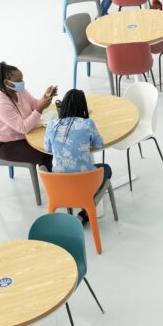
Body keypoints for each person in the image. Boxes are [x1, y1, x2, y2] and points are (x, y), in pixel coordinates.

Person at [43, 89, 113, 225]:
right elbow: (99, 144)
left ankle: (81, 208)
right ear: (83, 107)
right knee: (106, 169)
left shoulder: (52, 125)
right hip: (85, 182)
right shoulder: (88, 124)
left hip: (58, 182)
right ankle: (86, 209)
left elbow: (47, 148)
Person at [0, 62, 56, 170]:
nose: (22, 83)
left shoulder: (19, 91)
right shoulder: (1, 105)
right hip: (8, 145)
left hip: (23, 136)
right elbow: (23, 128)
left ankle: (51, 174)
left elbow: (35, 105)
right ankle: (52, 182)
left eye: (22, 79)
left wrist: (45, 97)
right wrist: (40, 109)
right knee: (46, 152)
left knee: (51, 144)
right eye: (18, 81)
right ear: (6, 82)